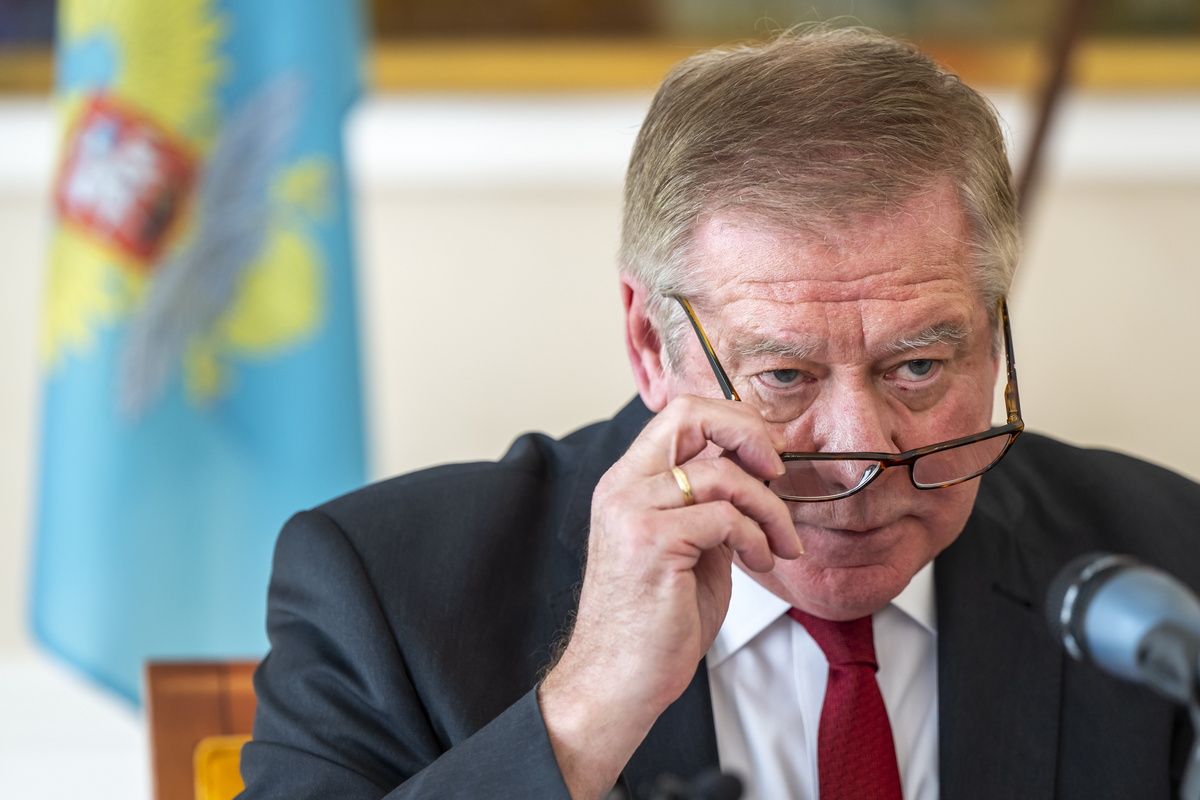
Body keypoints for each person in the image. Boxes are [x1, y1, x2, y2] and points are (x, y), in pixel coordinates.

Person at [238, 26, 1200, 800]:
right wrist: (584, 714)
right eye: (784, 375)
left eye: (918, 367)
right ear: (649, 344)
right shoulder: (388, 594)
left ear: (991, 335)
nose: (859, 453)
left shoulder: (1168, 570)